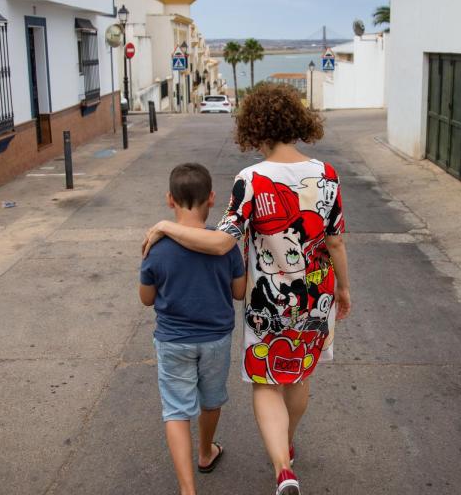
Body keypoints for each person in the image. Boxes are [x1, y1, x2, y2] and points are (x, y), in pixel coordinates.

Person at [143, 83, 352, 495]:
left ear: (255, 128)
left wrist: (165, 225)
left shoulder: (250, 180)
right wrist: (344, 289)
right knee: (299, 375)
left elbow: (221, 242)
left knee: (267, 380)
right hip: (316, 296)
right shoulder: (327, 175)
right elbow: (336, 241)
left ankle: (283, 468)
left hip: (269, 302)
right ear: (297, 121)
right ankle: (286, 450)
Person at [139, 162, 246, 495]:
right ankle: (205, 452)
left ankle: (187, 489)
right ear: (212, 198)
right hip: (215, 339)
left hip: (173, 341)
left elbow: (146, 298)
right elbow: (240, 293)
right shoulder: (224, 244)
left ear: (170, 200)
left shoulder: (155, 246)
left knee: (176, 410)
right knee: (210, 401)